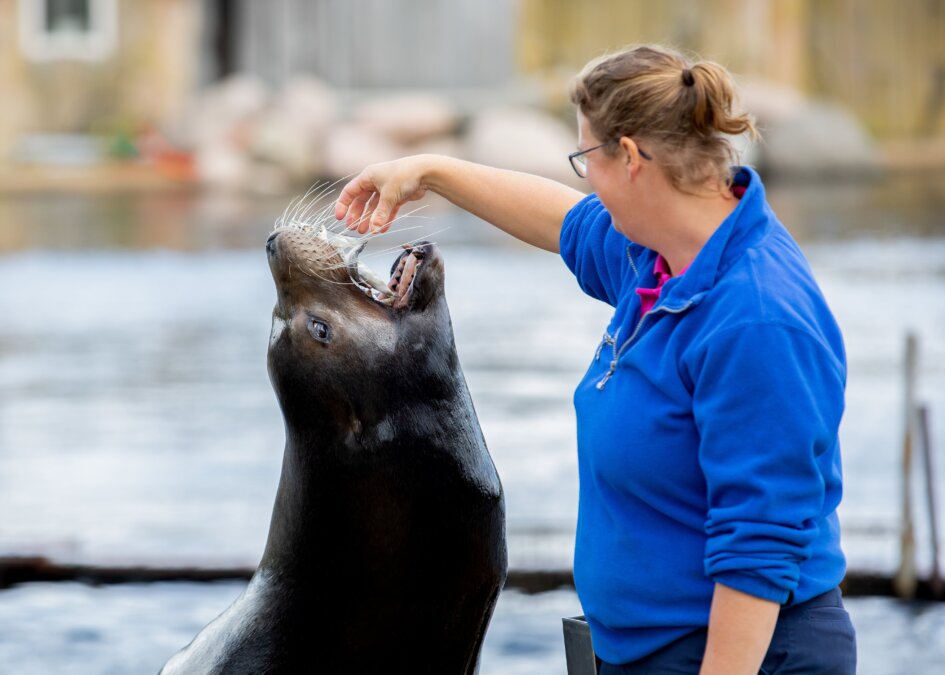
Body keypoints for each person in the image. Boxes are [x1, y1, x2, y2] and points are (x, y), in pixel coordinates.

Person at [333, 44, 856, 675]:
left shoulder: (757, 317)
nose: (584, 180)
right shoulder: (662, 255)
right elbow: (564, 222)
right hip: (642, 648)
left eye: (584, 159)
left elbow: (760, 549)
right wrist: (429, 171)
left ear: (631, 158)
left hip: (740, 655)